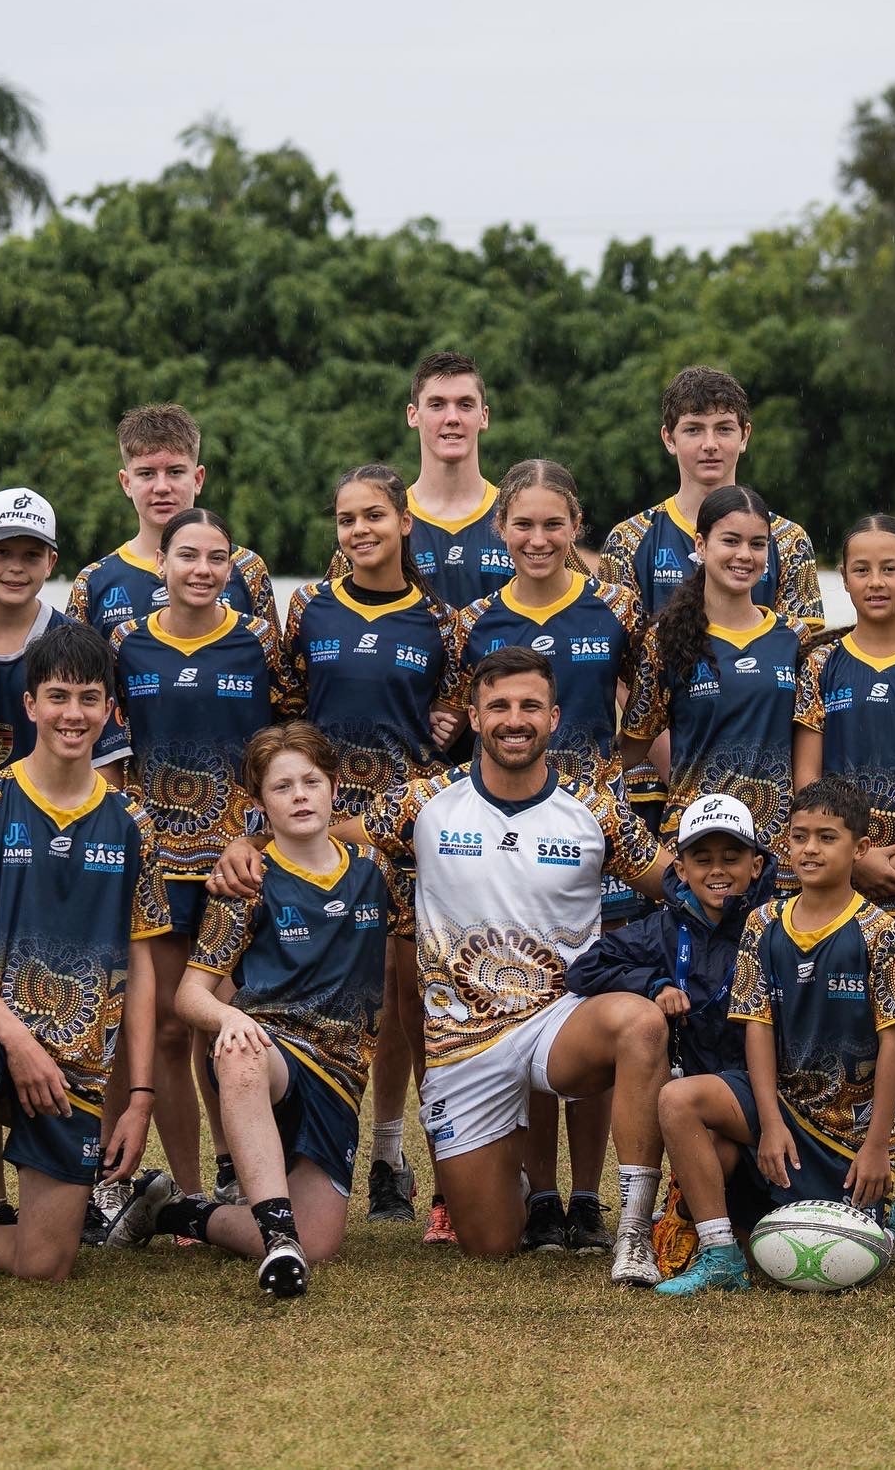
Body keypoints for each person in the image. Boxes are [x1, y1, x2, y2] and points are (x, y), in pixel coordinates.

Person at [214, 646, 676, 1284]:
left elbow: (677, 887)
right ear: (476, 717)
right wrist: (248, 841)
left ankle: (633, 1234)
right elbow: (323, 829)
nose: (515, 719)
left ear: (555, 717)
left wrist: (659, 966)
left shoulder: (594, 810)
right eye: (499, 707)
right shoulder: (424, 801)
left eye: (530, 706)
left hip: (558, 1022)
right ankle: (510, 1169)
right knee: (490, 1244)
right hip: (463, 1045)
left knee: (641, 1023)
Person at [0, 624, 169, 1314]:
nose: (72, 713)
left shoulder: (133, 821)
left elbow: (141, 966)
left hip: (75, 1068)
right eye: (57, 696)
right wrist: (17, 1041)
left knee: (45, 1263)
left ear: (113, 710)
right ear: (29, 704)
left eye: (88, 697)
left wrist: (139, 1097)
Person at [103, 721, 412, 1298]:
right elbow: (189, 995)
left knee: (322, 1242)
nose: (299, 795)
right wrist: (231, 1018)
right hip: (272, 1055)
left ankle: (173, 1212)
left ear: (334, 788)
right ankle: (277, 1240)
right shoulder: (248, 882)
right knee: (241, 1053)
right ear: (259, 804)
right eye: (282, 787)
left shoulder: (379, 874)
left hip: (341, 1075)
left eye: (311, 782)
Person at [455, 460, 646, 1253]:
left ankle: (588, 1196)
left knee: (591, 999)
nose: (538, 539)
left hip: (594, 835)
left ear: (577, 528)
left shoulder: (619, 609)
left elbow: (646, 719)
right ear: (500, 530)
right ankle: (539, 1195)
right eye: (523, 524)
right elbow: (456, 721)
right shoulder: (470, 621)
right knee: (529, 1003)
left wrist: (612, 798)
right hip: (509, 844)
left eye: (553, 524)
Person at [654, 776, 895, 1295]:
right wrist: (770, 1124)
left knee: (846, 1250)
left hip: (845, 1129)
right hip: (778, 1105)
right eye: (800, 837)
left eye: (827, 837)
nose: (810, 849)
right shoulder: (763, 923)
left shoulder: (879, 931)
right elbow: (757, 1027)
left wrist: (875, 1146)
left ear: (859, 848)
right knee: (677, 1099)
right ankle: (720, 1255)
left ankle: (878, 1208)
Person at [286, 462, 461, 1236]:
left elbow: (458, 718)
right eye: (346, 519)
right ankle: (309, 1161)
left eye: (373, 517)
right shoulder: (310, 609)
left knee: (408, 1004)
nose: (359, 531)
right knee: (328, 1001)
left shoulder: (442, 623)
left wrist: (452, 716)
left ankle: (401, 1162)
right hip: (315, 833)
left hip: (405, 837)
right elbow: (285, 714)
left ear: (404, 523)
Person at [108, 508, 283, 1206]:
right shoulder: (125, 642)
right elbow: (106, 754)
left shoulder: (260, 643)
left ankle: (238, 1170)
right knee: (169, 1027)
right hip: (154, 866)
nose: (203, 570)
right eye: (188, 555)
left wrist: (257, 834)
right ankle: (187, 1191)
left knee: (229, 1021)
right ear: (162, 565)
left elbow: (285, 746)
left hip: (235, 866)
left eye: (217, 558)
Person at [794, 514, 895, 1253]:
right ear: (840, 577)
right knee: (847, 1048)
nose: (875, 582)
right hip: (837, 893)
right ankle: (851, 1189)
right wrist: (851, 863)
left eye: (890, 567)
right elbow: (809, 782)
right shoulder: (822, 667)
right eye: (860, 568)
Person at [567, 793, 776, 1275]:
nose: (717, 870)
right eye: (702, 859)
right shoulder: (662, 929)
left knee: (781, 1237)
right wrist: (653, 984)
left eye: (732, 857)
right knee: (717, 1159)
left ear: (756, 864)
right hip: (702, 1110)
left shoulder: (775, 926)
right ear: (680, 869)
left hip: (771, 1100)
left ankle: (703, 1214)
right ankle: (690, 1222)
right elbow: (586, 969)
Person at [621, 486, 812, 862]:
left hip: (777, 854)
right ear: (702, 545)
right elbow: (629, 751)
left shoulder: (796, 640)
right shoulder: (666, 640)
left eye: (758, 544)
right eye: (731, 540)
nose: (745, 555)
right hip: (696, 850)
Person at [597, 365, 823, 624]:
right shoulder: (628, 541)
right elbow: (618, 654)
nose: (710, 445)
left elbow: (803, 652)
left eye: (724, 429)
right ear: (669, 438)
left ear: (744, 436)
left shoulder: (789, 541)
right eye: (693, 429)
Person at [0, 486, 129, 775]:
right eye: (2, 553)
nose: (16, 567)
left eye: (31, 555)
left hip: (54, 816)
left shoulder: (78, 645)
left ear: (50, 562)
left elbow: (106, 764)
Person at [67, 404, 279, 641]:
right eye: (146, 473)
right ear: (126, 482)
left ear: (198, 479)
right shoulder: (94, 581)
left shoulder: (247, 569)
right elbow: (74, 675)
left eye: (175, 472)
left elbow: (274, 671)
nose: (162, 487)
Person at [328, 351, 511, 613]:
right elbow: (334, 617)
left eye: (465, 404)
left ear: (484, 416)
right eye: (437, 405)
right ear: (413, 415)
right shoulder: (377, 522)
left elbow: (580, 601)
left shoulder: (521, 516)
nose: (452, 418)